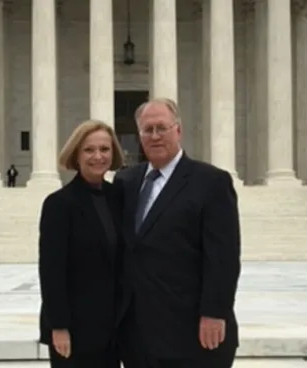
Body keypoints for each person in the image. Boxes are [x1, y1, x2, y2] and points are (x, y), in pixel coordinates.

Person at [113, 98, 241, 368]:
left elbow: (223, 257)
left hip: (193, 332)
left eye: (162, 128)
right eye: (148, 130)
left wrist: (214, 313)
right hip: (138, 335)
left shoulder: (211, 182)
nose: (155, 136)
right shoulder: (126, 181)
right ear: (139, 135)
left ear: (178, 131)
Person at [38, 120, 125, 368]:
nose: (98, 156)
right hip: (74, 330)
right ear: (76, 154)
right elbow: (51, 270)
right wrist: (59, 327)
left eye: (105, 149)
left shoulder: (119, 197)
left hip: (112, 330)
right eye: (89, 150)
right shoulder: (59, 204)